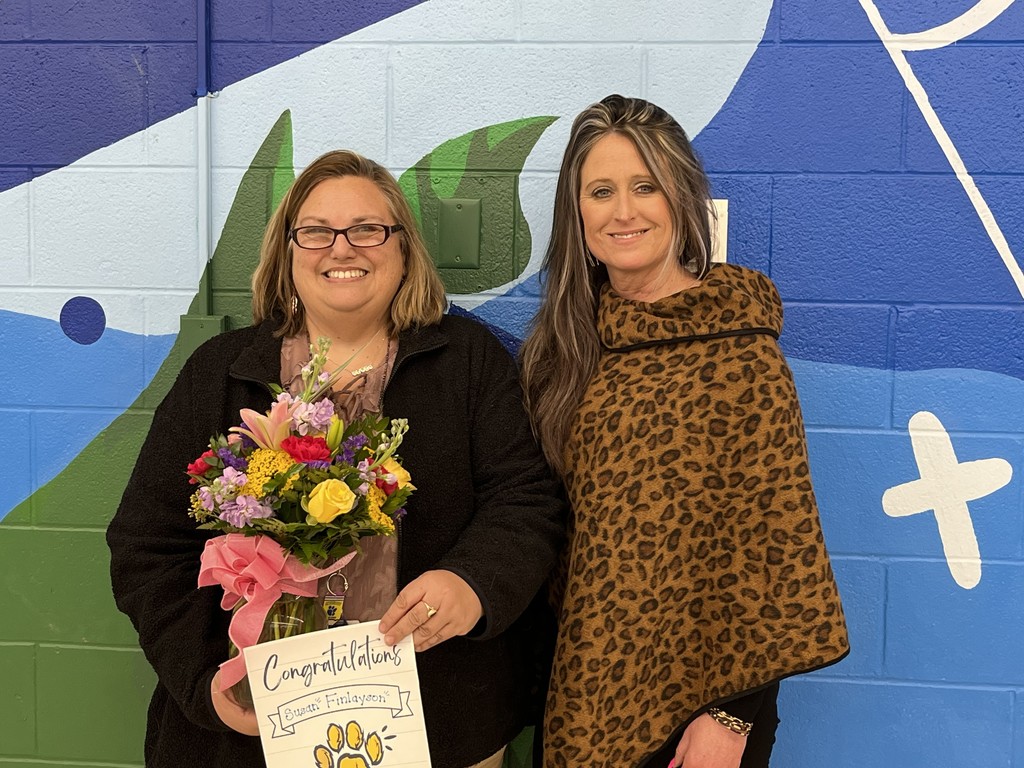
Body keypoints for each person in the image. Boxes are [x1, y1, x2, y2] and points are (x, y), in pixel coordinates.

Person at [107, 149, 564, 768]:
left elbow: (527, 500)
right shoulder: (220, 375)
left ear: (403, 250)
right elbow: (147, 544)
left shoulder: (468, 361)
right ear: (287, 252)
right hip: (254, 730)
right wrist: (206, 684)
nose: (342, 248)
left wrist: (473, 583)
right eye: (316, 231)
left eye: (367, 229)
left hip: (438, 723)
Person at [519, 95, 849, 768]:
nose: (623, 211)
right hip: (586, 690)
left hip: (710, 710)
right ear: (576, 212)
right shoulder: (563, 353)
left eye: (646, 187)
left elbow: (773, 547)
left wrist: (733, 717)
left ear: (681, 200)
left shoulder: (741, 352)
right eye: (601, 191)